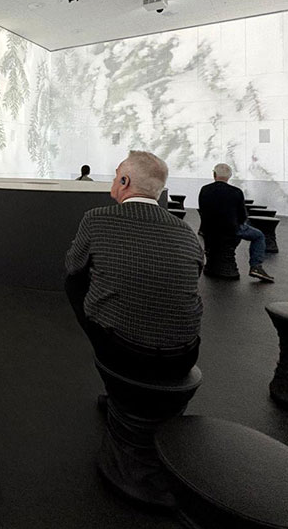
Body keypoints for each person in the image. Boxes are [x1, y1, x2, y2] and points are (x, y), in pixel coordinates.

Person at [64, 150, 203, 382]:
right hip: (184, 357)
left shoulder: (96, 218)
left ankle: (108, 365)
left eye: (115, 176)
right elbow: (196, 275)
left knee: (73, 281)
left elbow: (72, 266)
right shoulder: (186, 231)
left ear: (124, 181)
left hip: (124, 353)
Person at [198, 163, 272, 282]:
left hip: (209, 229)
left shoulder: (205, 189)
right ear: (230, 176)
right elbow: (242, 216)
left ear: (214, 174)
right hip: (231, 229)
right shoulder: (236, 192)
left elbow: (202, 210)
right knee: (259, 236)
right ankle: (256, 267)